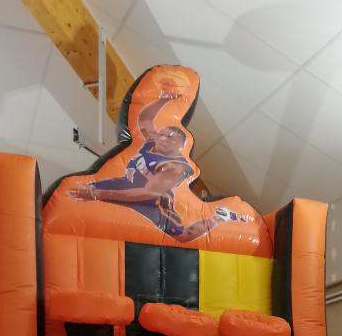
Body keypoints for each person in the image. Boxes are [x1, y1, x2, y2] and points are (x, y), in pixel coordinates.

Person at [69, 89, 254, 244]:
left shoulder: (176, 166)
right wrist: (163, 100)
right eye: (162, 134)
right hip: (125, 183)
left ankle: (219, 217)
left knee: (183, 236)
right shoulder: (151, 143)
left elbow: (148, 193)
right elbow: (145, 120)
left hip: (153, 202)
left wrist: (100, 194)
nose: (163, 138)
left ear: (180, 145)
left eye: (171, 138)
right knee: (77, 193)